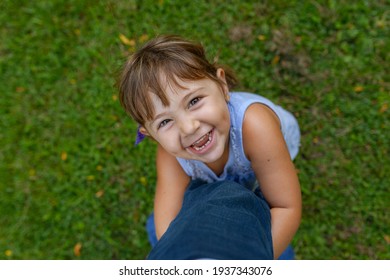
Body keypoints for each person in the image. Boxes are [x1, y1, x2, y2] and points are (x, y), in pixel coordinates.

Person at [118, 35, 301, 259]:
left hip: (266, 150)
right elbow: (166, 228)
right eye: (165, 122)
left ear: (222, 85)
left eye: (194, 101)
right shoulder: (170, 157)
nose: (188, 127)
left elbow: (286, 207)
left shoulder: (256, 127)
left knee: (265, 214)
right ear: (152, 136)